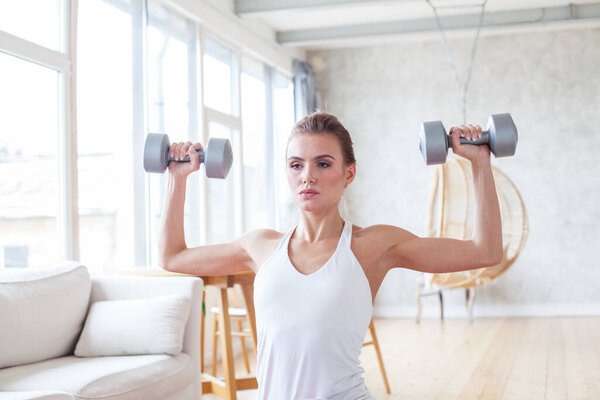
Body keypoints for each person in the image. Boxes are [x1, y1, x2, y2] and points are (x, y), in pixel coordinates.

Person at [158, 111, 503, 399]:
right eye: (296, 165)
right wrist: (178, 178)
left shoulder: (373, 246)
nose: (307, 176)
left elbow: (484, 250)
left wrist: (479, 162)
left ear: (348, 173)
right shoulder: (260, 246)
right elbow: (173, 256)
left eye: (322, 164)